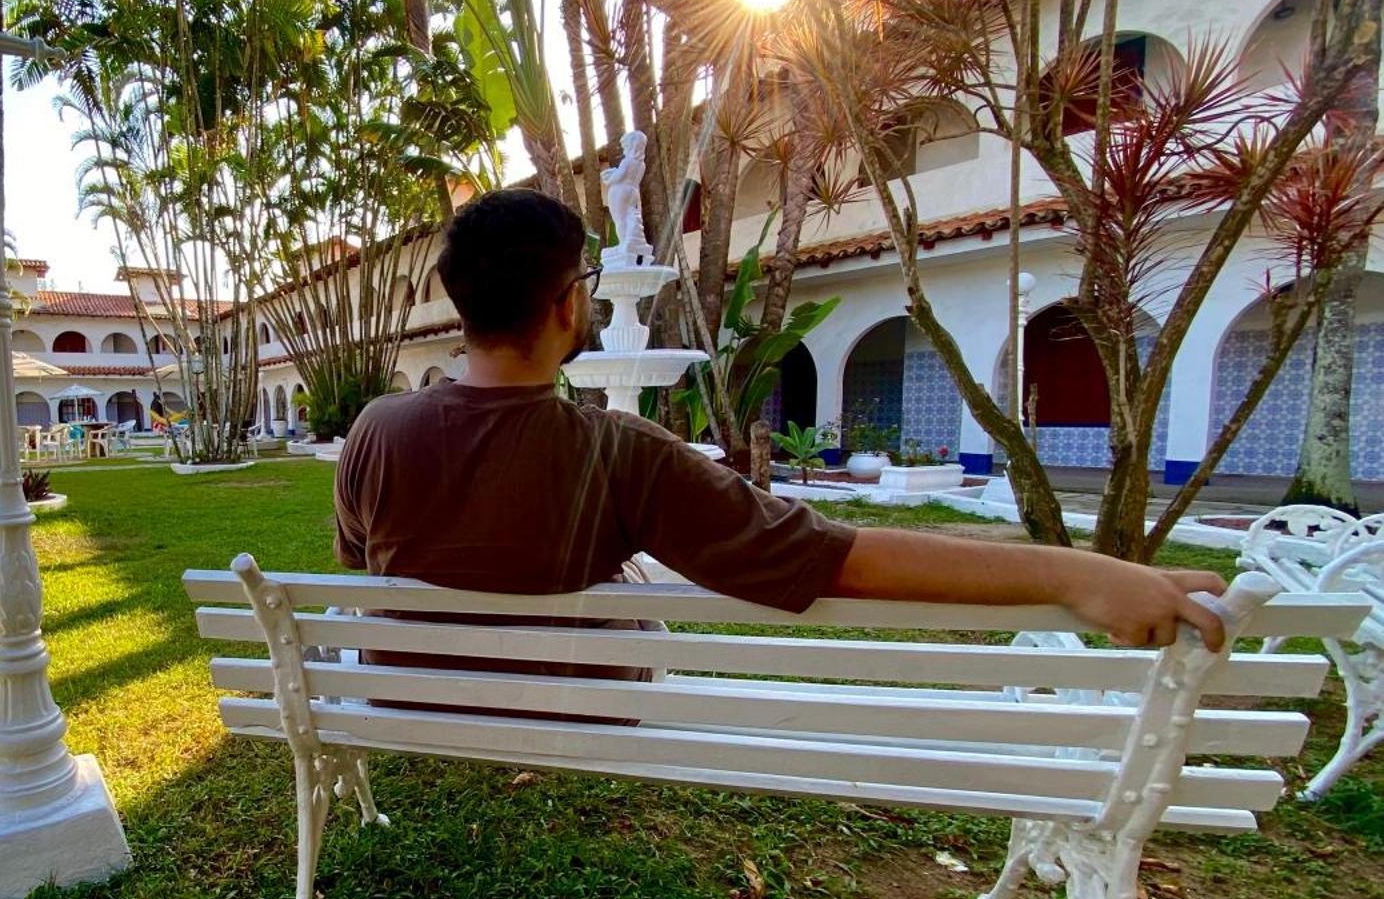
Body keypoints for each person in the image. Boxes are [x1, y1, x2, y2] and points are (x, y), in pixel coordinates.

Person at [333, 188, 1227, 656]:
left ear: (461, 307)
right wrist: (1075, 573)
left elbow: (359, 568)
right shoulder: (622, 455)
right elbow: (836, 556)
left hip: (411, 689)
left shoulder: (375, 429)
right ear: (569, 306)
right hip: (575, 701)